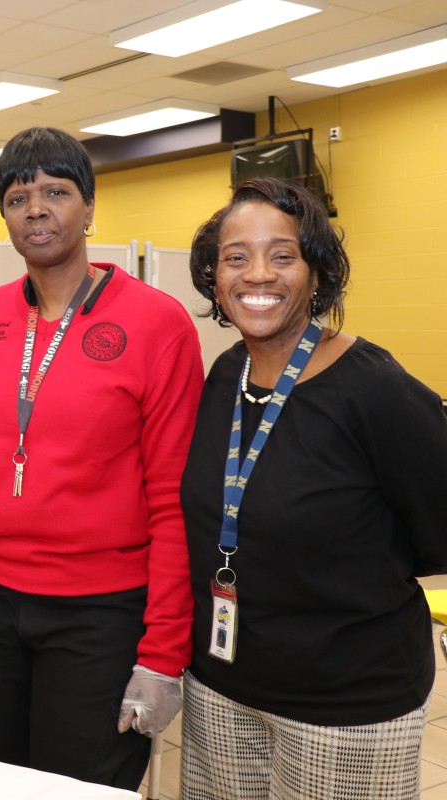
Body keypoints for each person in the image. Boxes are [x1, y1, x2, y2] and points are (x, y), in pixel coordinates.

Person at [0, 126, 204, 790]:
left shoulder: (157, 323)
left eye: (56, 191)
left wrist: (164, 653)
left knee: (80, 787)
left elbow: (175, 499)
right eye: (18, 195)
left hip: (100, 613)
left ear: (89, 207)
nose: (36, 209)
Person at [180, 177, 447, 800]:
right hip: (222, 688)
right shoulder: (225, 374)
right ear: (214, 279)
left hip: (347, 704)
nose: (258, 275)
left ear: (317, 272)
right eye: (236, 257)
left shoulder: (374, 389)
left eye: (283, 255)